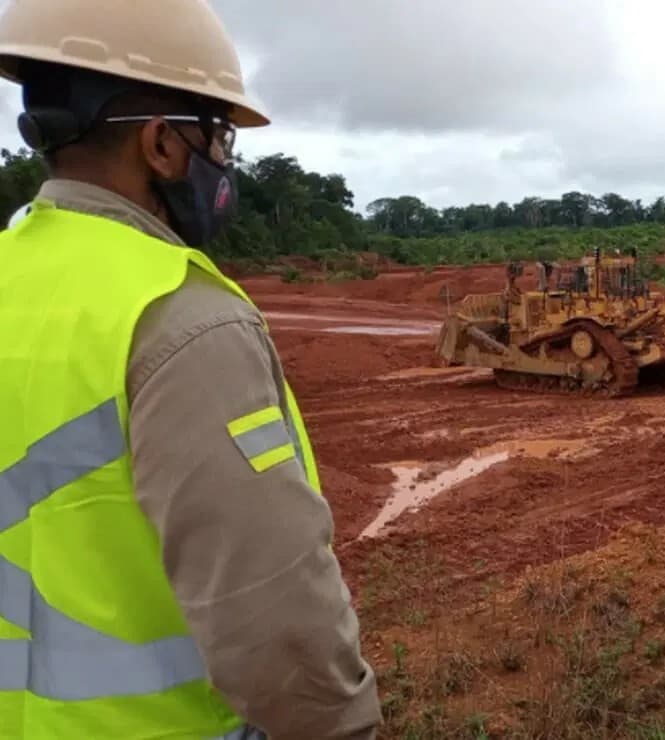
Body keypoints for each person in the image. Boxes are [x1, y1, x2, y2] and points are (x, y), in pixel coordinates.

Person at [0, 1, 381, 738]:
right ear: (163, 146)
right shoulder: (181, 318)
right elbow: (277, 629)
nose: (223, 162)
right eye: (218, 136)